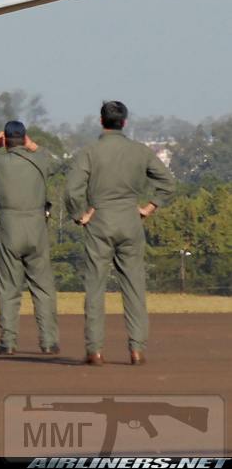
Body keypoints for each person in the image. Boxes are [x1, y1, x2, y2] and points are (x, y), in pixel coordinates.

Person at [65, 101, 175, 366]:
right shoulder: (140, 151)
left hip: (99, 221)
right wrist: (148, 208)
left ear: (101, 121)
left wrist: (80, 214)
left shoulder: (89, 152)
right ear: (124, 122)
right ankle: (137, 349)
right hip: (130, 219)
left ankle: (95, 350)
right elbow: (168, 183)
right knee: (135, 286)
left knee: (95, 287)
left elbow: (71, 190)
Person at [0, 120, 60, 356]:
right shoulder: (40, 161)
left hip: (10, 229)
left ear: (6, 140)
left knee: (9, 288)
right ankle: (49, 341)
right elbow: (54, 163)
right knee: (43, 288)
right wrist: (33, 146)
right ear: (24, 138)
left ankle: (8, 342)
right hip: (37, 228)